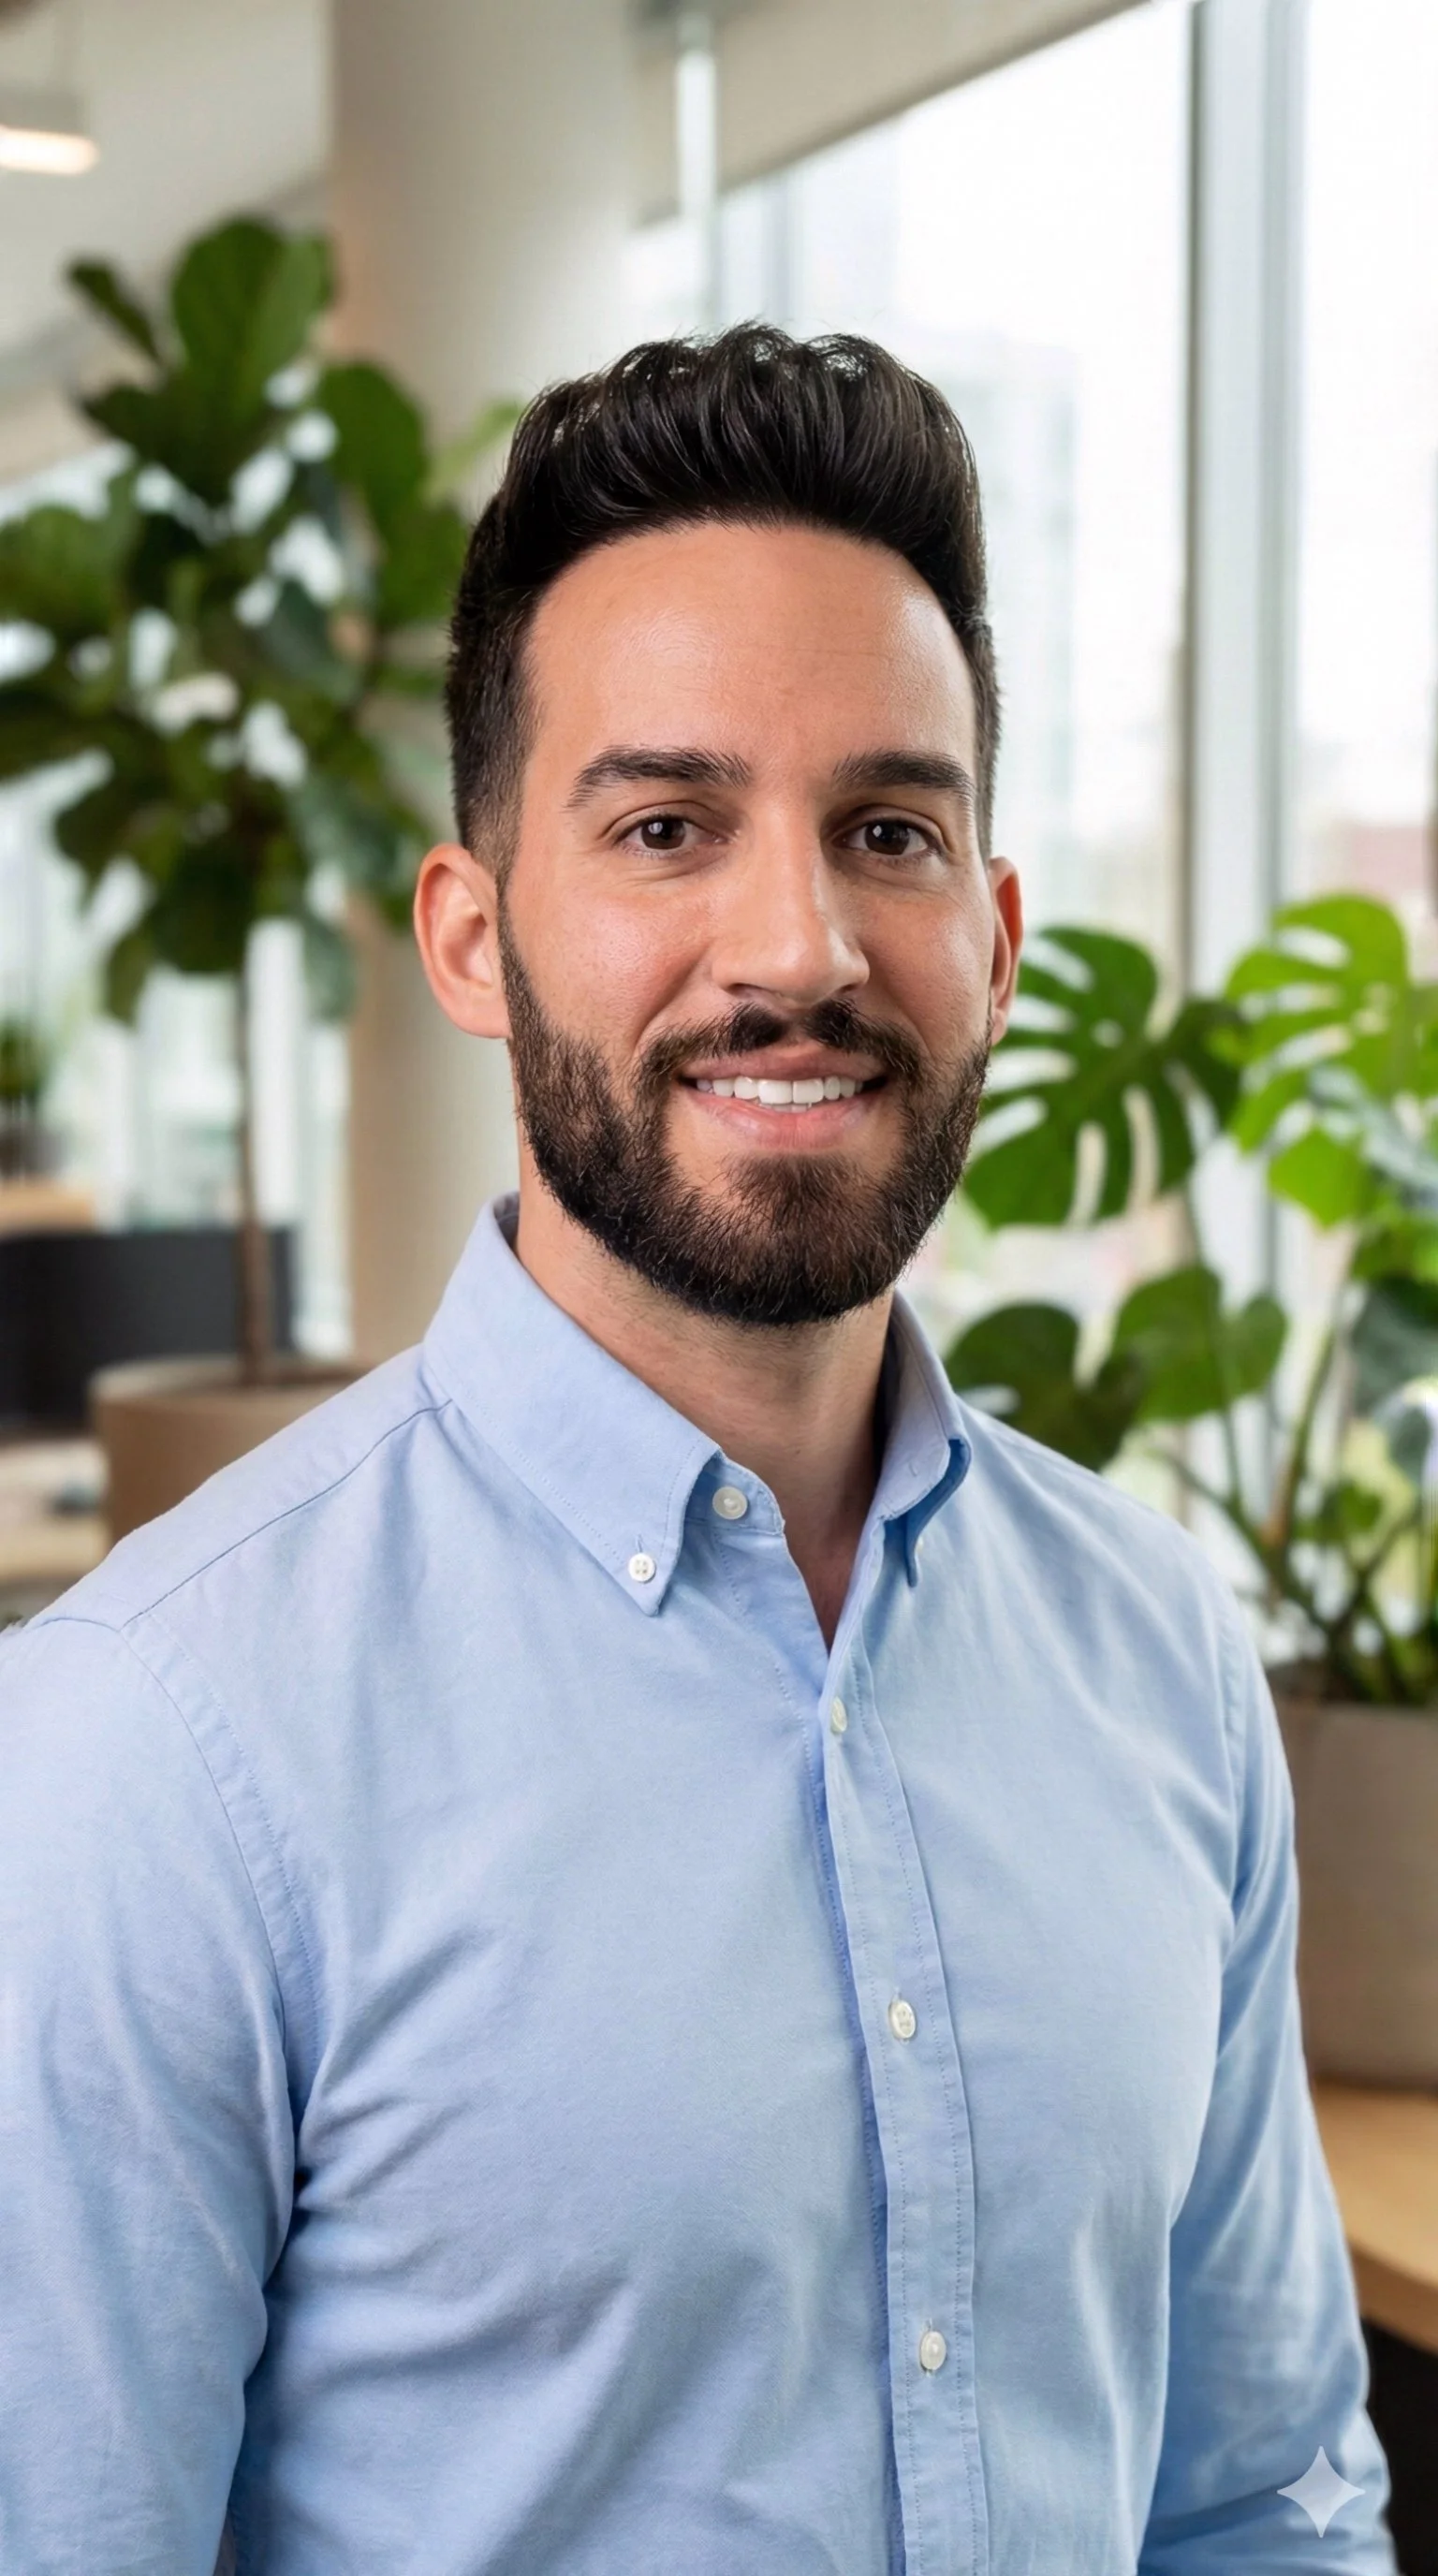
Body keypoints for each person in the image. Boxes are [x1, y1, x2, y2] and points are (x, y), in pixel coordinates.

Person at [0, 327, 1392, 2575]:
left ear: (1000, 936)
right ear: (475, 932)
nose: (800, 944)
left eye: (890, 830)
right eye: (667, 826)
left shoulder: (1154, 1653)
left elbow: (1257, 2503)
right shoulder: (149, 1746)